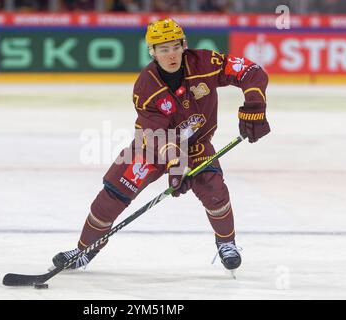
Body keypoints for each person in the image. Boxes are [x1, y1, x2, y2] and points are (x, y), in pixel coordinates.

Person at [52, 18, 270, 272]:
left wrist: (255, 106)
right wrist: (177, 165)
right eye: (163, 49)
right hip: (150, 147)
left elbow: (250, 71)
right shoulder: (145, 87)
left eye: (175, 47)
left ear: (184, 45)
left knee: (215, 192)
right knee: (111, 196)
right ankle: (83, 250)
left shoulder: (206, 63)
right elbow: (157, 134)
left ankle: (227, 244)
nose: (171, 54)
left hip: (197, 145)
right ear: (152, 52)